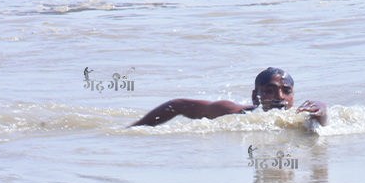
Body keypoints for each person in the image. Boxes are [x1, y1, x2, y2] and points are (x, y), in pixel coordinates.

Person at [129, 67, 327, 127]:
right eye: (270, 90)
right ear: (255, 97)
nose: (280, 97)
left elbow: (323, 118)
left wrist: (321, 108)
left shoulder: (303, 117)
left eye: (286, 91)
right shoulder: (234, 114)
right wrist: (135, 130)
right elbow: (178, 105)